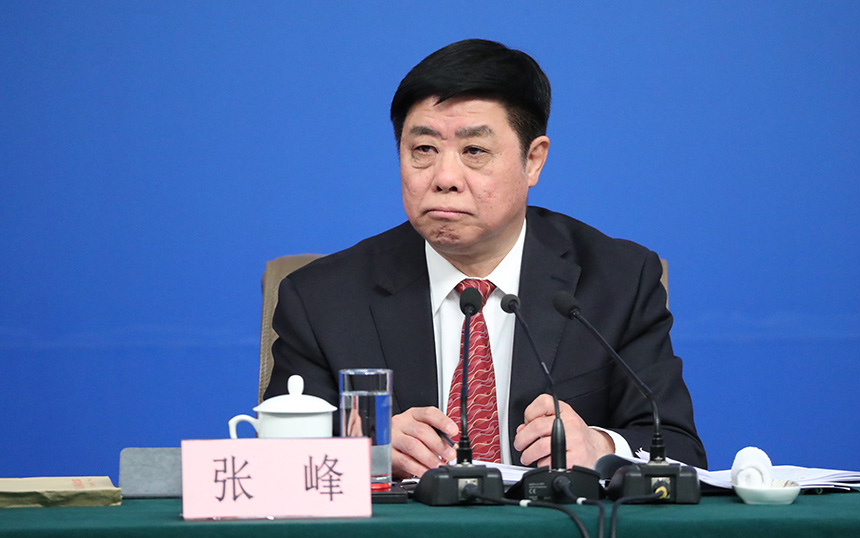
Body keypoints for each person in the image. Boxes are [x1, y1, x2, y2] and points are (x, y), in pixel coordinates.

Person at [264, 38, 707, 479]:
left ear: (533, 161)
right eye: (423, 150)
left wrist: (601, 447)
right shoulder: (323, 299)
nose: (445, 178)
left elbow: (680, 449)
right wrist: (365, 451)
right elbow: (274, 467)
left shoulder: (617, 281)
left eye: (474, 151)